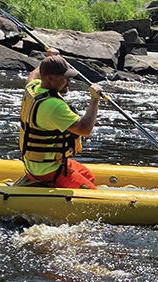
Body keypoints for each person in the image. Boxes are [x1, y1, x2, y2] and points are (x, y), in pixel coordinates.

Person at [18, 50, 103, 189]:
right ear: (50, 79)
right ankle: (43, 184)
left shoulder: (32, 88)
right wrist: (94, 99)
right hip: (46, 170)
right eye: (64, 78)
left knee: (88, 176)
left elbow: (33, 75)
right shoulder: (53, 106)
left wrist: (49, 58)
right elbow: (85, 129)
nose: (68, 81)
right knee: (91, 192)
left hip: (41, 162)